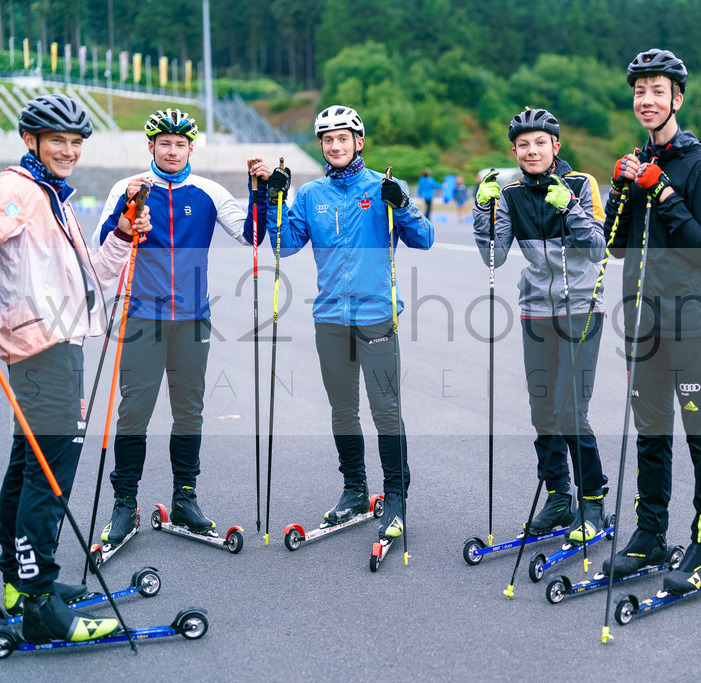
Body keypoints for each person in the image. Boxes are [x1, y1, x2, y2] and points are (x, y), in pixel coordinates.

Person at [0, 94, 150, 642]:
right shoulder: (17, 189)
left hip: (54, 344)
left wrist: (122, 236)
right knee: (50, 473)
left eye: (75, 142)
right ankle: (38, 605)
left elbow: (89, 277)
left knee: (27, 464)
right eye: (56, 140)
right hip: (42, 348)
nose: (67, 150)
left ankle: (17, 581)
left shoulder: (51, 195)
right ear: (30, 141)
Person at [257, 105, 433, 542]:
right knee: (342, 411)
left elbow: (424, 238)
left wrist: (404, 206)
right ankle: (355, 489)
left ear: (360, 141)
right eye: (327, 139)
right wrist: (273, 199)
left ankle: (396, 496)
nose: (335, 146)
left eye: (343, 137)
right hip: (330, 318)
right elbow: (283, 245)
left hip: (377, 316)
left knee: (386, 410)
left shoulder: (384, 186)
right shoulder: (312, 195)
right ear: (321, 146)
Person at [93, 109, 267, 546]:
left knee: (189, 413)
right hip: (142, 318)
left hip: (192, 319)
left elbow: (252, 235)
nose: (173, 151)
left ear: (191, 148)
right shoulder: (128, 186)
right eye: (164, 144)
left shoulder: (207, 191)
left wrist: (259, 191)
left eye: (180, 144)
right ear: (150, 147)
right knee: (134, 413)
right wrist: (125, 207)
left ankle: (185, 498)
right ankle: (123, 503)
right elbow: (102, 246)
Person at [601, 48, 701, 595]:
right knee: (651, 435)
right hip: (642, 324)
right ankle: (650, 534)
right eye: (639, 91)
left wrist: (662, 190)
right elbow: (614, 246)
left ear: (677, 98)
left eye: (657, 91)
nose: (646, 100)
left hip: (691, 326)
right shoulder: (637, 162)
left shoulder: (700, 166)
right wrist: (622, 195)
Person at [473, 109, 609, 544]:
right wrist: (483, 211)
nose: (532, 151)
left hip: (581, 309)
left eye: (541, 143)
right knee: (543, 412)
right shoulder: (510, 193)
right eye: (524, 145)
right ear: (514, 151)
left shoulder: (582, 185)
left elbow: (596, 249)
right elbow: (493, 256)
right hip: (535, 311)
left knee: (571, 411)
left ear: (556, 146)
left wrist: (570, 210)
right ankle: (557, 497)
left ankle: (592, 503)